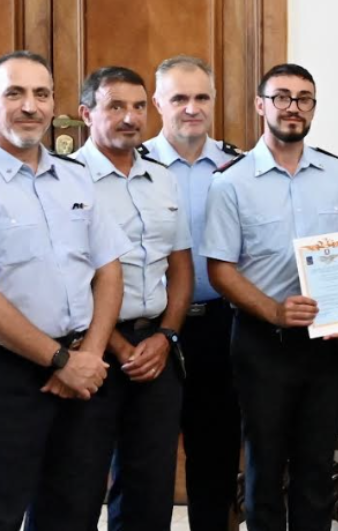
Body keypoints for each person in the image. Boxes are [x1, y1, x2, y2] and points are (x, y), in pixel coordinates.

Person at [203, 62, 338, 531]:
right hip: (262, 344)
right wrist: (275, 311)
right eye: (281, 97)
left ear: (314, 108)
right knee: (264, 464)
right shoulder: (230, 182)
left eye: (303, 99)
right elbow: (220, 270)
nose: (292, 107)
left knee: (316, 466)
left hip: (326, 344)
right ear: (261, 105)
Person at [0, 50, 130, 531]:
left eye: (41, 93)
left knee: (73, 512)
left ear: (55, 103)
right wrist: (59, 362)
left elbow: (109, 270)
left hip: (84, 373)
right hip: (11, 377)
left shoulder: (75, 177)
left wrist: (88, 357)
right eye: (14, 93)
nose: (29, 106)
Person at [75, 67, 193, 531]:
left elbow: (179, 266)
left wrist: (166, 335)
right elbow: (70, 277)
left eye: (139, 106)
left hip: (156, 350)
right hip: (91, 349)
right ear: (87, 114)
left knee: (151, 482)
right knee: (79, 481)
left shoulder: (162, 179)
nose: (130, 117)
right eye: (115, 106)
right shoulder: (69, 179)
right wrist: (117, 345)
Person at [144, 55, 246, 531]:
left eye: (201, 97)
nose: (191, 108)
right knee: (146, 457)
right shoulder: (134, 166)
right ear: (158, 103)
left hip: (222, 324)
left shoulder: (239, 167)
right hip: (152, 328)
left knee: (216, 453)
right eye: (179, 98)